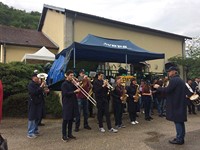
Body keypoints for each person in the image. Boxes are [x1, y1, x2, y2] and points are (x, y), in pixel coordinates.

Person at [154, 66, 187, 145]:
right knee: (180, 122)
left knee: (177, 122)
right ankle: (181, 137)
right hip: (180, 104)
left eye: (169, 72)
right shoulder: (181, 80)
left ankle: (179, 139)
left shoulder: (174, 80)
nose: (168, 73)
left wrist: (158, 87)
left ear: (173, 72)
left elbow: (167, 90)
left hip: (176, 104)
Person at [27, 73, 49, 138]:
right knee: (32, 117)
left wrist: (46, 91)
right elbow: (34, 92)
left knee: (37, 117)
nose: (39, 79)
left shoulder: (38, 84)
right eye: (38, 77)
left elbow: (41, 92)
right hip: (33, 103)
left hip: (39, 102)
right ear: (33, 78)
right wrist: (41, 87)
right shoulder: (31, 85)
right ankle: (30, 133)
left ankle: (35, 130)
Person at [61, 70, 80, 142]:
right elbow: (66, 93)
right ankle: (64, 135)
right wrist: (75, 92)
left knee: (71, 120)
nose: (72, 77)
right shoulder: (64, 84)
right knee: (66, 120)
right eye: (71, 75)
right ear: (67, 76)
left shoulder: (71, 83)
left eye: (73, 75)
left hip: (73, 103)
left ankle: (69, 134)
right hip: (67, 104)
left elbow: (78, 89)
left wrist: (77, 84)